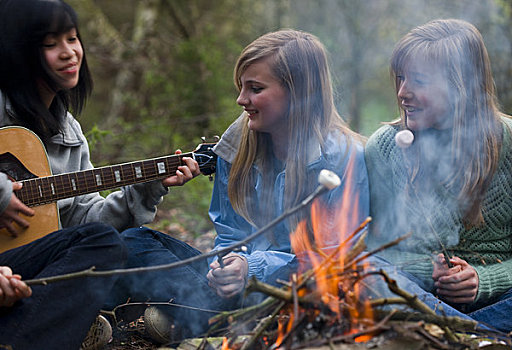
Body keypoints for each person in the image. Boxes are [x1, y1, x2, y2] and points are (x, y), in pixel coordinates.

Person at [108, 29, 370, 340]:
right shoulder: (237, 145)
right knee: (132, 240)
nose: (241, 100)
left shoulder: (344, 157)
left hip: (297, 288)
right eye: (241, 87)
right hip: (239, 286)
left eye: (255, 88)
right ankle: (211, 317)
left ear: (298, 93)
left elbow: (333, 258)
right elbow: (230, 231)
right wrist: (225, 266)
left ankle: (199, 317)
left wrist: (253, 267)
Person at [0, 0, 198, 348]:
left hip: (31, 266)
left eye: (73, 39)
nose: (69, 53)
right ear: (19, 51)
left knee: (130, 244)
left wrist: (144, 188)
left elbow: (87, 221)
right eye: (50, 44)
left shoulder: (69, 131)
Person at [365, 18, 512, 332]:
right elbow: (373, 248)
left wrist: (484, 280)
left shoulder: (509, 142)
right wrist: (428, 271)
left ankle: (453, 332)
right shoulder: (384, 149)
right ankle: (478, 335)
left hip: (501, 298)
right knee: (367, 276)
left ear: (462, 85)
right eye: (401, 78)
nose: (403, 92)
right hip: (420, 295)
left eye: (418, 80)